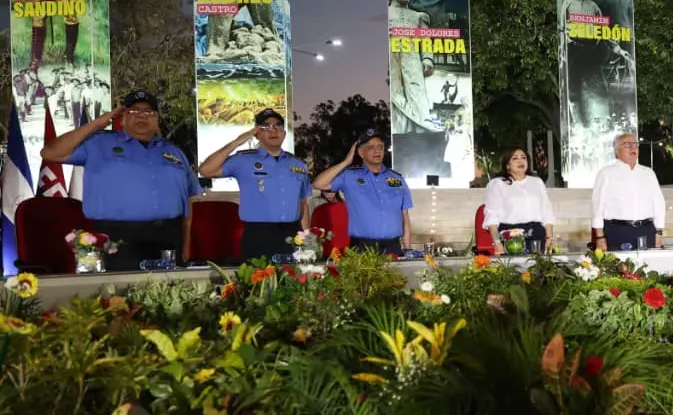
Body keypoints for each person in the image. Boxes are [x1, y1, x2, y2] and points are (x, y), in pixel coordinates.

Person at [40, 89, 202, 271]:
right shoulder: (98, 143)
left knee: (170, 295)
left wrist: (186, 244)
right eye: (133, 111)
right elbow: (50, 153)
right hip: (117, 237)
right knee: (119, 296)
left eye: (148, 112)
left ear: (157, 119)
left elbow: (189, 200)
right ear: (122, 117)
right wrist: (96, 124)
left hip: (169, 237)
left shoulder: (174, 152)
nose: (141, 116)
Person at [198, 108, 311, 262]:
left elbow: (303, 203)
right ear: (257, 133)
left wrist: (307, 238)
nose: (273, 130)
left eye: (278, 125)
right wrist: (239, 140)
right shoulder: (243, 160)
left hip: (292, 235)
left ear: (284, 133)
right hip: (259, 235)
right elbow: (206, 170)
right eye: (266, 126)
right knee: (257, 284)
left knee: (293, 284)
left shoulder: (298, 165)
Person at [311, 129, 413, 255]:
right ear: (360, 152)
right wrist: (345, 162)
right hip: (363, 247)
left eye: (380, 147)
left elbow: (405, 217)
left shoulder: (397, 179)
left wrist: (408, 248)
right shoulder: (349, 176)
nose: (377, 151)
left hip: (392, 247)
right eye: (371, 147)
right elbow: (318, 184)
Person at [591, 132, 666, 251]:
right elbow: (597, 207)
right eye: (627, 144)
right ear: (617, 151)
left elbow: (659, 204)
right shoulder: (606, 173)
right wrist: (600, 237)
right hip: (617, 231)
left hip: (646, 230)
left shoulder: (648, 173)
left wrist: (659, 232)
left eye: (635, 144)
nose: (633, 147)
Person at [483, 147, 556, 250]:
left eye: (523, 158)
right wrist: (497, 242)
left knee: (539, 265)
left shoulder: (537, 182)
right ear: (507, 165)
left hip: (536, 233)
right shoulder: (497, 184)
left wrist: (549, 237)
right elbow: (491, 216)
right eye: (515, 158)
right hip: (510, 235)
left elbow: (547, 211)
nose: (520, 161)